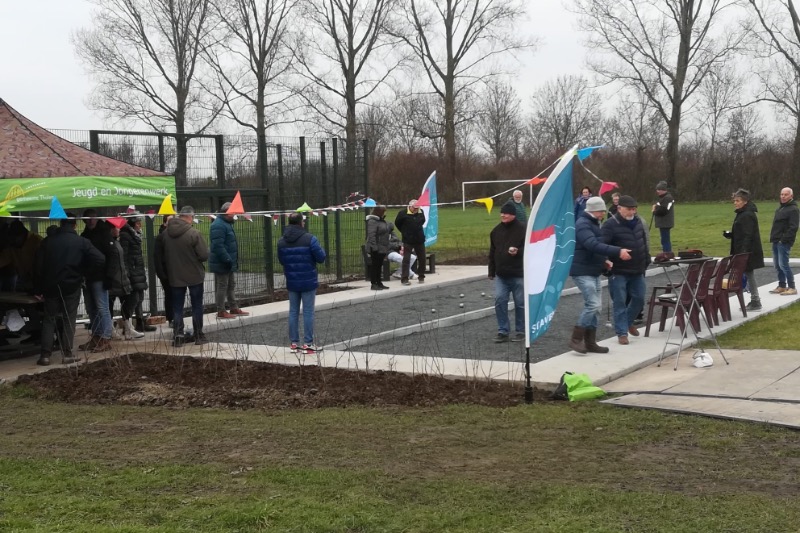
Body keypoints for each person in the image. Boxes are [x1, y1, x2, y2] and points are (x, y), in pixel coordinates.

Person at [33, 214, 105, 366]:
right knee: (69, 319)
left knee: (49, 319)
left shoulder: (47, 241)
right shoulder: (81, 242)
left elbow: (38, 267)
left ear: (61, 224)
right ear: (75, 225)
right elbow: (100, 259)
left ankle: (45, 355)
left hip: (50, 286)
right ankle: (67, 354)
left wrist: (38, 288)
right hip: (72, 285)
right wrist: (83, 271)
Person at [569, 197, 631, 354]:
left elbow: (597, 246)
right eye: (601, 211)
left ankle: (590, 343)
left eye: (603, 211)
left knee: (597, 308)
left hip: (593, 270)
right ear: (592, 210)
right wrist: (618, 251)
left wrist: (604, 260)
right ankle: (576, 339)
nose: (603, 214)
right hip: (582, 270)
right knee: (593, 304)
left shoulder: (594, 223)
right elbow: (592, 245)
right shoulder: (582, 224)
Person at [600, 195, 650, 345]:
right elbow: (602, 246)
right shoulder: (609, 225)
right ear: (619, 208)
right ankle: (622, 332)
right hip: (618, 270)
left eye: (634, 209)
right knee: (620, 301)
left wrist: (646, 260)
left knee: (639, 298)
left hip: (637, 269)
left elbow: (644, 242)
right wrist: (608, 260)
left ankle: (627, 322)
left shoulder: (639, 222)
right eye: (629, 209)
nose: (632, 212)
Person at [277, 212, 327, 354]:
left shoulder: (281, 241)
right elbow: (321, 258)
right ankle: (308, 344)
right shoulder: (310, 239)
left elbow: (281, 261)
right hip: (308, 280)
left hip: (292, 280)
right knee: (308, 311)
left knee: (293, 311)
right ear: (301, 223)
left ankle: (294, 343)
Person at [164, 206, 210, 345]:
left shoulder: (166, 234)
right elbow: (203, 255)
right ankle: (198, 335)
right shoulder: (194, 233)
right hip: (194, 275)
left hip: (175, 275)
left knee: (177, 307)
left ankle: (178, 336)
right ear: (190, 216)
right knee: (197, 306)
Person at [489, 203, 526, 342]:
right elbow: (492, 252)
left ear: (513, 215)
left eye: (506, 213)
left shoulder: (523, 230)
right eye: (502, 213)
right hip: (502, 275)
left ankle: (521, 331)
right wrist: (491, 270)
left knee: (520, 304)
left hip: (518, 274)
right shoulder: (495, 231)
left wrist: (518, 252)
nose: (503, 215)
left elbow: (530, 249)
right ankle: (503, 331)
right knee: (499, 301)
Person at [79, 209, 114, 351]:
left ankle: (105, 337)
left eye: (93, 217)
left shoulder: (104, 234)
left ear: (97, 218)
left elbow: (111, 256)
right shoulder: (85, 235)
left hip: (100, 277)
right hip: (89, 277)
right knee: (91, 309)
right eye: (88, 218)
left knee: (102, 307)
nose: (90, 220)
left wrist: (109, 276)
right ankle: (97, 336)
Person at [724, 189, 764, 311]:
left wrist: (743, 254)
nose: (735, 203)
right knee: (748, 274)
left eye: (738, 201)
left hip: (747, 251)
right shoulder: (742, 213)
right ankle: (754, 299)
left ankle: (755, 300)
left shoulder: (747, 215)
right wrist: (731, 235)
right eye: (734, 201)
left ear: (745, 201)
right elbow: (742, 232)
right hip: (744, 250)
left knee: (749, 274)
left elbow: (748, 235)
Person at [209, 202, 249, 319]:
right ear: (227, 212)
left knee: (231, 285)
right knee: (222, 285)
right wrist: (227, 258)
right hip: (222, 261)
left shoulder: (226, 223)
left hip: (228, 261)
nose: (235, 214)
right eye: (234, 212)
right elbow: (218, 245)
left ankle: (233, 307)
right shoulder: (218, 225)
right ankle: (221, 310)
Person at [119, 213, 155, 334]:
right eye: (138, 223)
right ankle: (127, 325)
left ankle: (140, 322)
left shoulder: (135, 235)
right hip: (132, 271)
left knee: (140, 298)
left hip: (138, 270)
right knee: (133, 299)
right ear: (133, 224)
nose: (140, 225)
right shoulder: (126, 235)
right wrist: (127, 272)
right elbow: (124, 256)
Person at [107, 220, 139, 340]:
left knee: (129, 301)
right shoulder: (110, 242)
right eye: (116, 228)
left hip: (122, 277)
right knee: (110, 304)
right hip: (114, 278)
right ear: (111, 229)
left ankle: (128, 327)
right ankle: (111, 329)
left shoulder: (117, 241)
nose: (118, 230)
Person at [768, 187, 799, 296]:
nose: (783, 196)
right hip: (776, 240)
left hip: (784, 242)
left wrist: (783, 239)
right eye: (782, 194)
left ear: (791, 196)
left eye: (786, 194)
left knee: (783, 265)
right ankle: (782, 285)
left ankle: (792, 287)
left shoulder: (793, 209)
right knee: (777, 265)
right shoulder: (780, 209)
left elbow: (793, 227)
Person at [393, 199, 426, 285]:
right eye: (414, 208)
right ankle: (404, 278)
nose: (416, 210)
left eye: (417, 208)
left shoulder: (421, 212)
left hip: (419, 239)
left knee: (422, 258)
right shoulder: (402, 213)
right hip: (408, 240)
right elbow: (397, 223)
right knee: (406, 259)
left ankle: (421, 276)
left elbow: (423, 221)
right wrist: (405, 231)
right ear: (410, 206)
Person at [365, 205, 393, 290]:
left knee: (379, 265)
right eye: (383, 212)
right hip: (376, 247)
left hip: (382, 246)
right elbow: (371, 235)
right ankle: (374, 283)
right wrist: (374, 247)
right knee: (375, 266)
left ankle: (379, 282)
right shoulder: (372, 221)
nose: (384, 213)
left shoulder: (381, 220)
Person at [153, 215, 174, 328]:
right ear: (165, 223)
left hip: (176, 271)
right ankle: (171, 318)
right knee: (169, 295)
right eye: (170, 220)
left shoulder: (175, 235)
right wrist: (161, 274)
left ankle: (177, 316)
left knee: (177, 294)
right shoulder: (160, 237)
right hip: (166, 272)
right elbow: (157, 257)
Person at [652, 181, 675, 252]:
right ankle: (667, 253)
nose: (657, 191)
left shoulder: (667, 198)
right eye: (657, 189)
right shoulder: (663, 198)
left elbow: (664, 210)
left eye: (659, 189)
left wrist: (654, 211)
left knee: (665, 240)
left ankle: (667, 254)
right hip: (663, 223)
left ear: (664, 190)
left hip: (665, 223)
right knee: (664, 240)